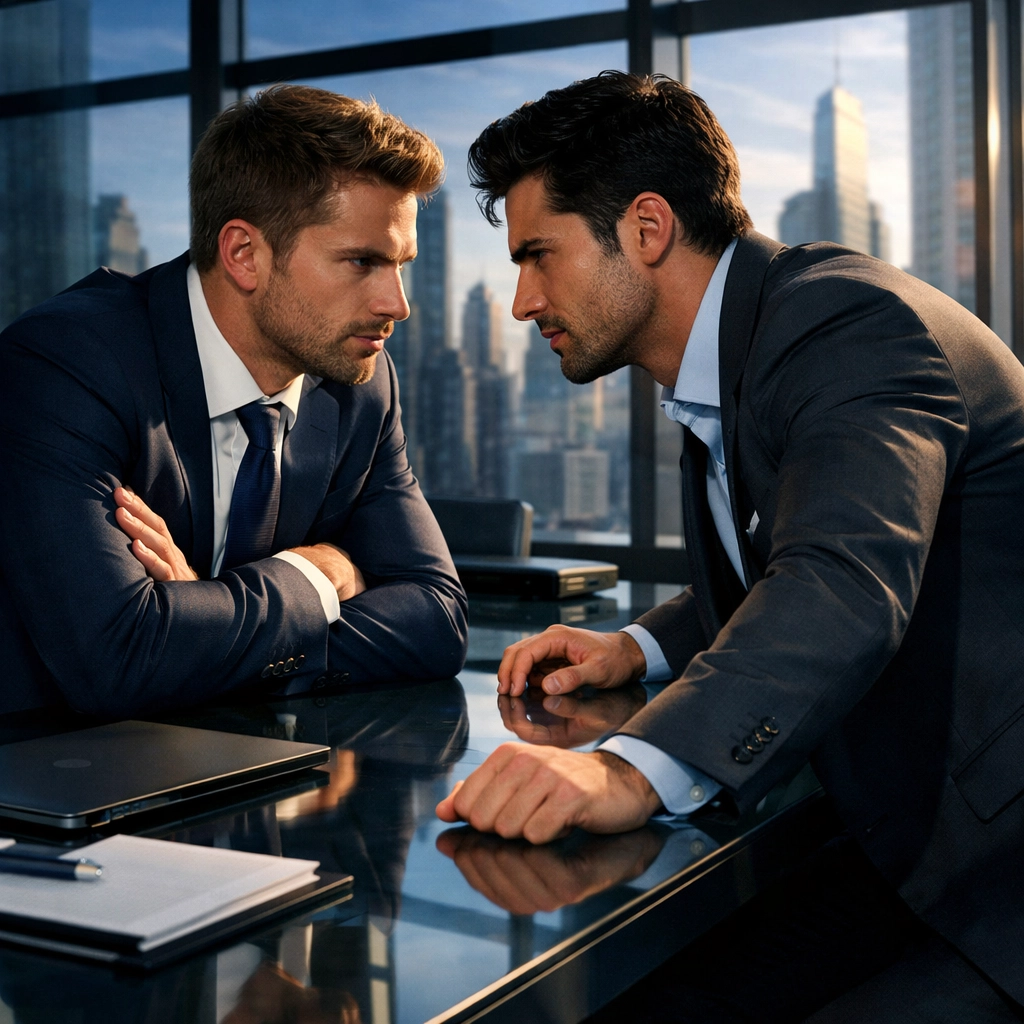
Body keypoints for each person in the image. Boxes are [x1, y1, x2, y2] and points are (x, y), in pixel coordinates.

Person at [436, 71, 1024, 1013]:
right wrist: (641, 646)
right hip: (890, 836)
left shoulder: (844, 325)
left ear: (647, 227)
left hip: (992, 878)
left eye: (538, 255)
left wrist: (624, 769)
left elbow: (841, 581)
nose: (521, 300)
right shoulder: (747, 345)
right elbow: (794, 544)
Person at [0, 85, 467, 717]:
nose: (397, 305)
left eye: (401, 265)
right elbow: (117, 660)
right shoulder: (68, 362)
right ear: (244, 254)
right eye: (361, 261)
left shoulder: (361, 384)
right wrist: (316, 577)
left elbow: (437, 620)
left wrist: (201, 619)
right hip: (55, 780)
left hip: (251, 771)